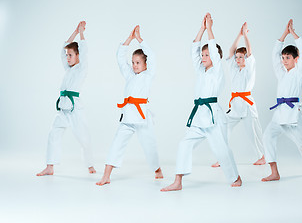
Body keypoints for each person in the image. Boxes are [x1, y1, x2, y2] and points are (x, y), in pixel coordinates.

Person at [161, 13, 241, 192]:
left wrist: (210, 29)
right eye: (203, 54)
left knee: (221, 150)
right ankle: (178, 181)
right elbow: (193, 50)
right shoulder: (201, 70)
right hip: (199, 116)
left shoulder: (217, 71)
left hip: (213, 116)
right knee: (184, 144)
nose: (203, 57)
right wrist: (202, 29)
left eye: (207, 54)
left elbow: (213, 50)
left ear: (215, 57)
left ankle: (235, 177)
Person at [96, 25, 163, 186]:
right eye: (133, 62)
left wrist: (140, 39)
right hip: (127, 116)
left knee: (149, 145)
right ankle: (106, 175)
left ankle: (157, 169)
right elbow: (120, 58)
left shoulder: (148, 75)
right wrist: (129, 38)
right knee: (117, 143)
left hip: (141, 117)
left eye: (138, 62)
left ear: (145, 64)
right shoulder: (129, 75)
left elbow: (152, 56)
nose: (134, 65)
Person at [262, 19, 302, 182]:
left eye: (288, 57)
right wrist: (284, 34)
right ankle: (274, 172)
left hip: (294, 114)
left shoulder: (299, 72)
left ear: (296, 59)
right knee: (267, 136)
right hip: (280, 113)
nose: (284, 60)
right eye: (283, 57)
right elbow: (274, 56)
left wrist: (293, 33)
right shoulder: (282, 73)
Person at [37, 21, 96, 176]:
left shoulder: (82, 68)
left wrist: (82, 33)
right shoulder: (68, 69)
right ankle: (50, 166)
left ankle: (90, 165)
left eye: (70, 55)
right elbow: (63, 49)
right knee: (53, 133)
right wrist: (75, 32)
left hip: (75, 108)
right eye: (67, 55)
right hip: (63, 107)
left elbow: (83, 51)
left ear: (78, 56)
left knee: (83, 137)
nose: (67, 58)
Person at [212, 22, 265, 168]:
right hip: (235, 105)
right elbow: (230, 51)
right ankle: (222, 157)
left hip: (247, 105)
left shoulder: (249, 68)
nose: (238, 59)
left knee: (253, 133)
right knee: (224, 129)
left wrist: (246, 37)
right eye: (237, 57)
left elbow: (249, 52)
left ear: (246, 58)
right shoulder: (234, 69)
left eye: (241, 57)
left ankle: (262, 156)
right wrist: (239, 35)